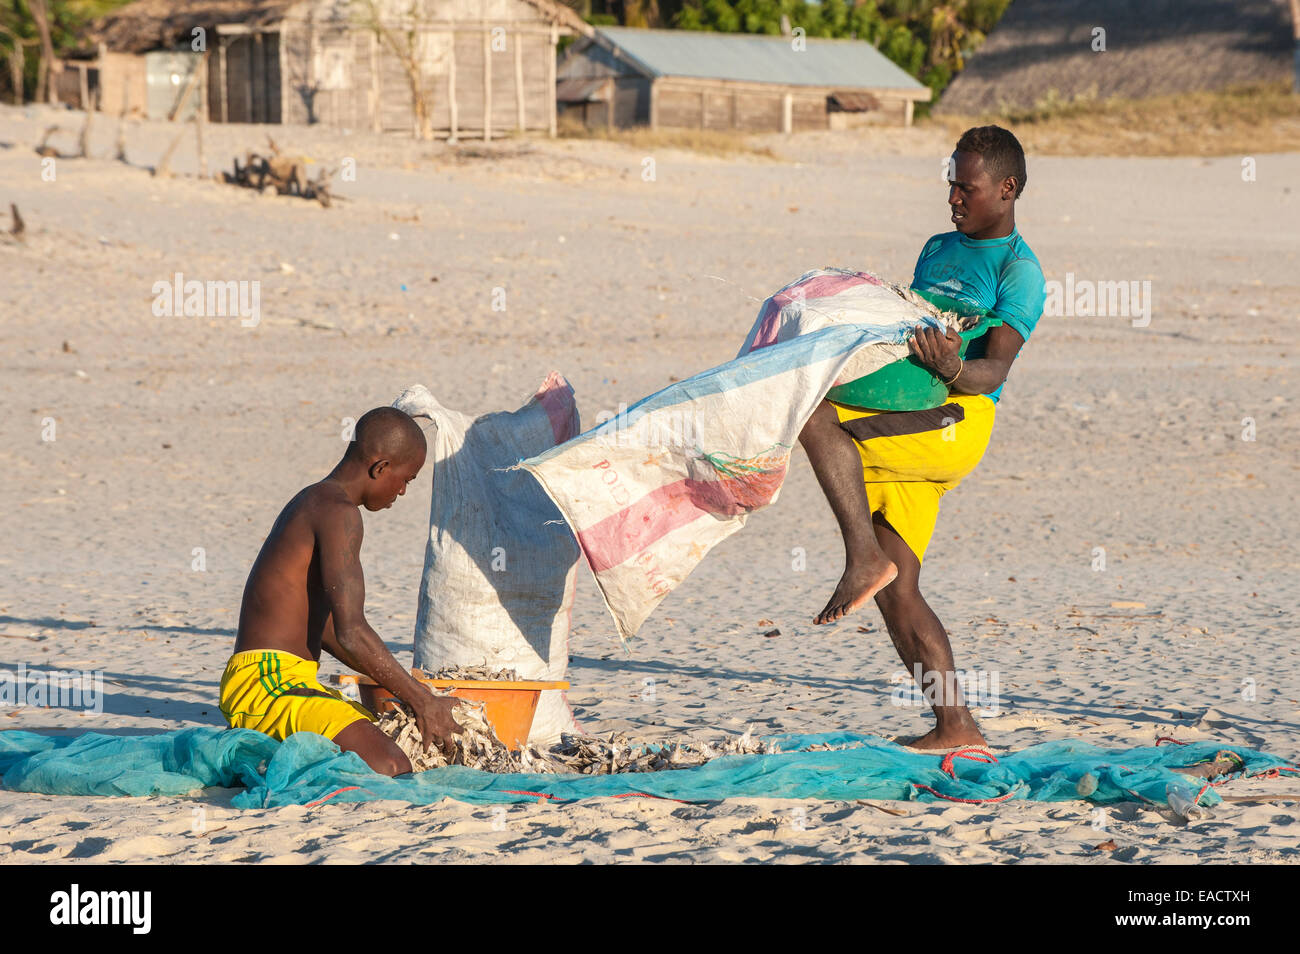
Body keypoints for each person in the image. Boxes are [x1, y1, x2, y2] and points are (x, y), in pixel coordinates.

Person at [798, 125, 1046, 751]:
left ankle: (860, 555)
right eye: (951, 186)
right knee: (897, 589)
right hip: (919, 410)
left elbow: (995, 369)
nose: (954, 199)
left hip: (957, 420)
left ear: (1007, 189)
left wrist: (950, 367)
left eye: (968, 188)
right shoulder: (937, 247)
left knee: (814, 418)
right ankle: (955, 724)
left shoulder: (1020, 271)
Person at [218, 406, 460, 775]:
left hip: (284, 678)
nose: (403, 490)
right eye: (406, 478)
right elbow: (351, 630)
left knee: (394, 742)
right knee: (390, 764)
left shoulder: (316, 501)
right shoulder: (338, 512)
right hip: (266, 683)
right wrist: (422, 700)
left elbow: (329, 631)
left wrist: (402, 688)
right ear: (380, 468)